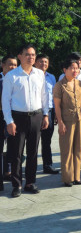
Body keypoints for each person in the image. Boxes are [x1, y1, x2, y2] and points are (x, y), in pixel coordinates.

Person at [2, 44, 49, 198]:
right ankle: (17, 185)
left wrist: (46, 115)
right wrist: (9, 121)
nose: (31, 57)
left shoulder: (39, 74)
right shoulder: (12, 76)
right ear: (20, 56)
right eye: (27, 54)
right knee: (16, 153)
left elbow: (44, 96)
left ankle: (30, 182)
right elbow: (5, 101)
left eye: (33, 54)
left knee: (33, 152)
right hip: (18, 118)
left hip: (36, 116)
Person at [53, 59, 81, 187]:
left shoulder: (80, 83)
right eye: (72, 68)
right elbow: (57, 106)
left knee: (78, 148)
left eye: (76, 68)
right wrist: (60, 122)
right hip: (66, 120)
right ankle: (67, 178)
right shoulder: (60, 85)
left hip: (80, 119)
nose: (75, 70)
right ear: (64, 70)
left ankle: (77, 176)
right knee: (67, 149)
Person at [59, 52, 81, 169]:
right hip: (68, 114)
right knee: (69, 140)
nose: (78, 63)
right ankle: (69, 164)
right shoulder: (62, 78)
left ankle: (80, 159)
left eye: (80, 61)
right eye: (76, 61)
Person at [35, 54, 59, 174]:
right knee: (33, 141)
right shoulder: (32, 75)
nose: (43, 64)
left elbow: (54, 96)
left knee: (47, 140)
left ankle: (47, 165)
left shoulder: (52, 77)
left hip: (49, 112)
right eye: (40, 61)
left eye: (45, 62)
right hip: (35, 112)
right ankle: (31, 166)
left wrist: (55, 113)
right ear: (35, 62)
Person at [0, 54, 18, 191]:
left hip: (14, 118)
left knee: (14, 149)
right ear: (3, 65)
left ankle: (8, 172)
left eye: (15, 65)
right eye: (10, 64)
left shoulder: (18, 79)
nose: (13, 67)